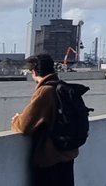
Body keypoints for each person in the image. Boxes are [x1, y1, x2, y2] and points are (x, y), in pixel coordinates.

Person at [12, 54, 79, 186]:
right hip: (67, 155)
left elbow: (24, 125)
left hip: (50, 159)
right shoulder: (62, 87)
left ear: (35, 71)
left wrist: (16, 120)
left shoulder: (45, 91)